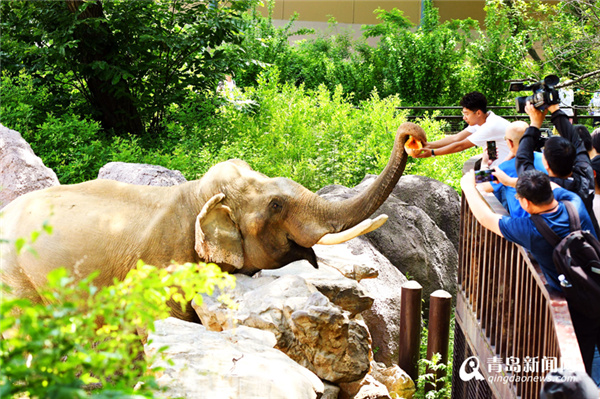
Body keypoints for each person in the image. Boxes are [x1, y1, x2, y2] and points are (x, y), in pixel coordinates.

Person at [461, 169, 600, 377]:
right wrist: (510, 181)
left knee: (582, 367)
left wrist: (467, 186)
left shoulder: (531, 231)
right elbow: (555, 188)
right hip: (597, 286)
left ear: (525, 203)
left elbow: (486, 218)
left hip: (576, 310)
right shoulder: (575, 204)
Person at [516, 102, 600, 236]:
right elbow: (576, 141)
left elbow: (522, 157)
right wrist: (555, 110)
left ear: (546, 164)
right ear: (574, 159)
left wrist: (535, 123)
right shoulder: (586, 176)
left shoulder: (540, 188)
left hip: (557, 252)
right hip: (590, 246)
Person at [415, 91, 510, 167]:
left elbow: (460, 146)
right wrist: (428, 145)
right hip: (497, 170)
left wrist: (432, 153)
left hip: (507, 174)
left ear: (478, 113)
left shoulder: (491, 126)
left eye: (466, 114)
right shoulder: (481, 121)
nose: (464, 118)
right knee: (473, 179)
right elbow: (456, 138)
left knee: (468, 181)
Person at [478, 121, 547, 218]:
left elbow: (482, 186)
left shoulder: (507, 167)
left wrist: (484, 164)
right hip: (551, 221)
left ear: (510, 143)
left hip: (522, 225)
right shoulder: (547, 159)